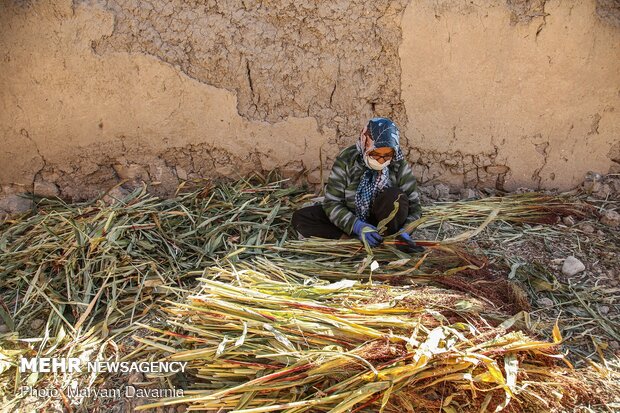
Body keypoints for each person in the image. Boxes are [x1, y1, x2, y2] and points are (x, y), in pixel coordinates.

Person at [292, 117, 423, 252]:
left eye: (387, 155)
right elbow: (332, 203)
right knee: (302, 217)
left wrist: (406, 230)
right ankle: (354, 242)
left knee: (395, 197)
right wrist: (357, 226)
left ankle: (387, 240)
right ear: (365, 144)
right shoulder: (347, 160)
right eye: (375, 154)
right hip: (352, 218)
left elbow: (415, 208)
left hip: (386, 222)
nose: (381, 160)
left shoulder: (397, 164)